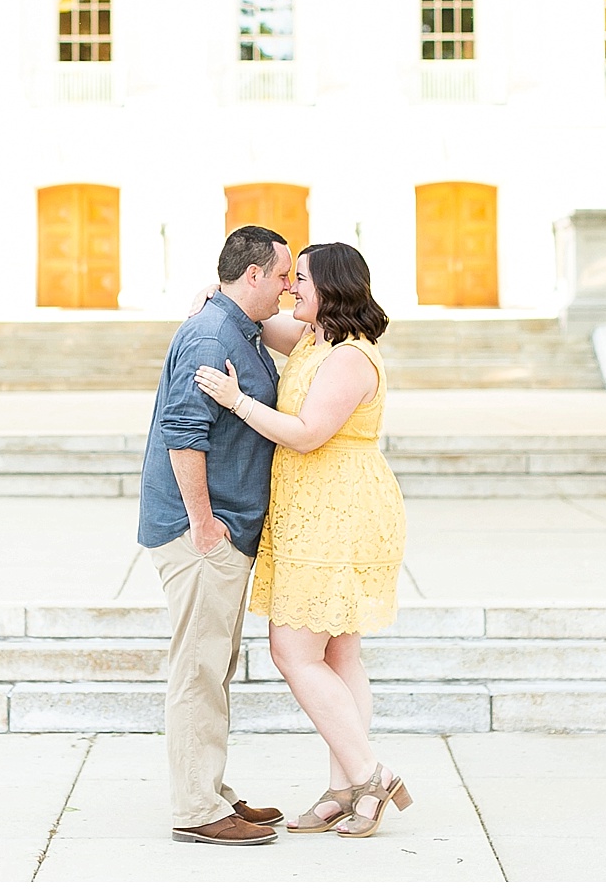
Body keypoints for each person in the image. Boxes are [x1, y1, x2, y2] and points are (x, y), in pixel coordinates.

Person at [193, 241, 412, 839]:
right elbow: (260, 319)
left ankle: (369, 775)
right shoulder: (315, 340)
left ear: (332, 289)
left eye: (304, 280)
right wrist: (222, 294)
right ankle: (346, 790)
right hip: (314, 508)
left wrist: (236, 401)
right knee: (339, 655)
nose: (292, 287)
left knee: (293, 652)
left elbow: (310, 433)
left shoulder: (348, 358)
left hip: (339, 510)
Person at [135, 224, 294, 847]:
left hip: (222, 528)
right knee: (198, 670)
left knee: (213, 665)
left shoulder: (236, 327)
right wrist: (203, 523)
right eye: (281, 275)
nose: (286, 286)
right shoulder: (212, 333)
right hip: (202, 531)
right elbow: (183, 432)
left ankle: (210, 789)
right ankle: (197, 809)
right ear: (252, 274)